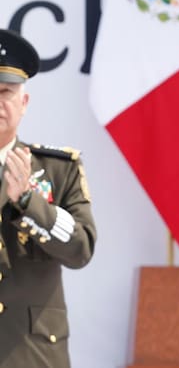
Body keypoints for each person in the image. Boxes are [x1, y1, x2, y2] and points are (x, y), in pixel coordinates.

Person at [0, 29, 97, 368]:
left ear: (23, 103)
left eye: (6, 92)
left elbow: (81, 250)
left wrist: (29, 202)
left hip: (32, 353)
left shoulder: (58, 169)